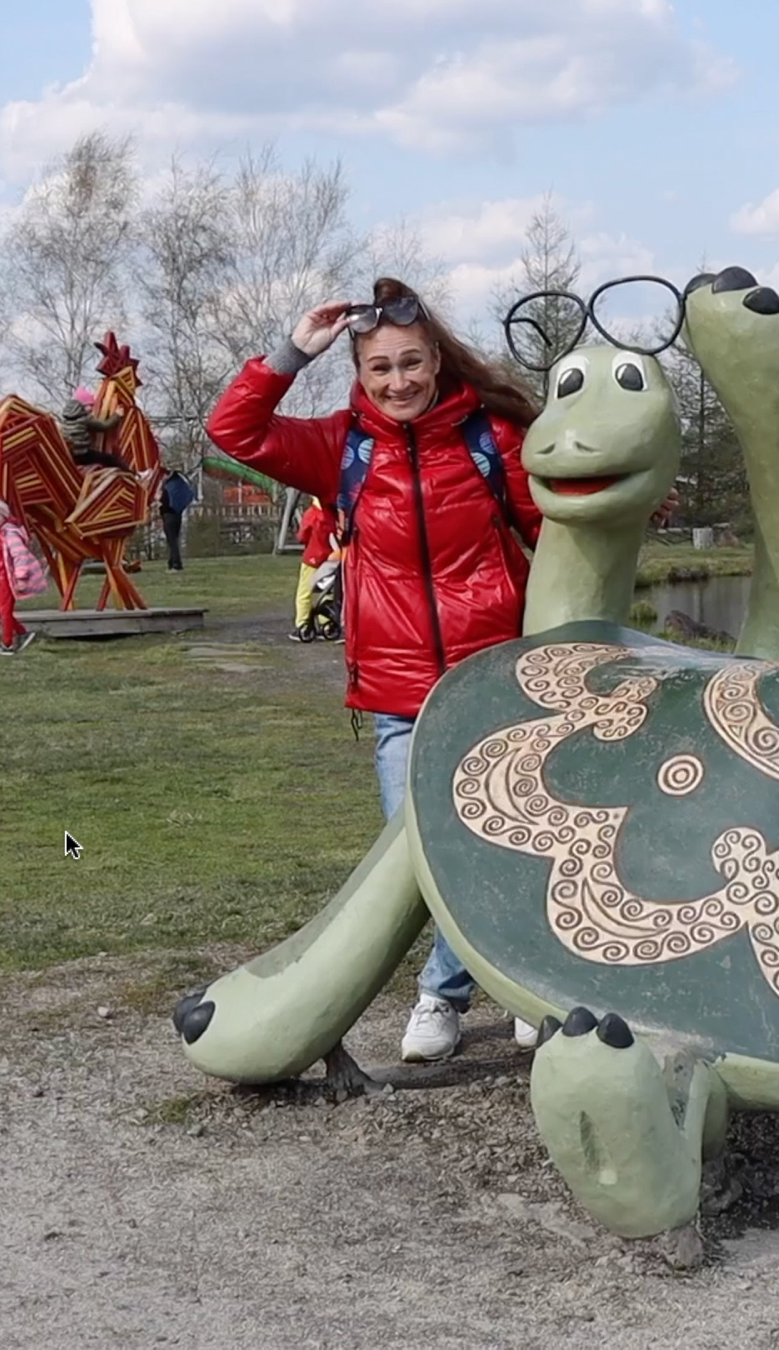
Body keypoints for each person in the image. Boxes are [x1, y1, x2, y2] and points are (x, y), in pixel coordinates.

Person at [206, 279, 545, 1063]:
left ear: (437, 360)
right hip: (402, 698)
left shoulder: (493, 438)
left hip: (496, 681)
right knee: (427, 858)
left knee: (519, 842)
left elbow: (556, 530)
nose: (399, 382)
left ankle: (519, 990)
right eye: (380, 368)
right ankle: (449, 995)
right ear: (359, 373)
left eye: (412, 362)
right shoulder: (341, 448)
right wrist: (293, 352)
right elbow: (233, 431)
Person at [0, 499, 45, 656]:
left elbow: (20, 556)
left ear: (4, 516)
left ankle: (7, 644)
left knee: (5, 610)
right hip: (2, 577)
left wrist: (21, 577)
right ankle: (22, 632)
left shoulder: (10, 533)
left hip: (10, 578)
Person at [291, 500, 339, 642]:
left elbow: (302, 536)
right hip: (330, 557)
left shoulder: (311, 514)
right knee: (326, 591)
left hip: (312, 557)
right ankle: (326, 622)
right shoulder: (332, 514)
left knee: (305, 592)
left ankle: (302, 623)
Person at [59, 385, 131, 472]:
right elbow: (104, 426)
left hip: (71, 454)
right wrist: (117, 415)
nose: (92, 409)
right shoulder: (85, 419)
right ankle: (132, 474)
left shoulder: (67, 418)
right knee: (111, 459)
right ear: (82, 406)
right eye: (90, 405)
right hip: (83, 454)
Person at [159, 469, 199, 570]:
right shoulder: (179, 484)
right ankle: (171, 562)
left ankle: (176, 563)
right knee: (174, 539)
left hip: (169, 514)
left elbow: (164, 501)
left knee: (172, 540)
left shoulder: (168, 486)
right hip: (177, 514)